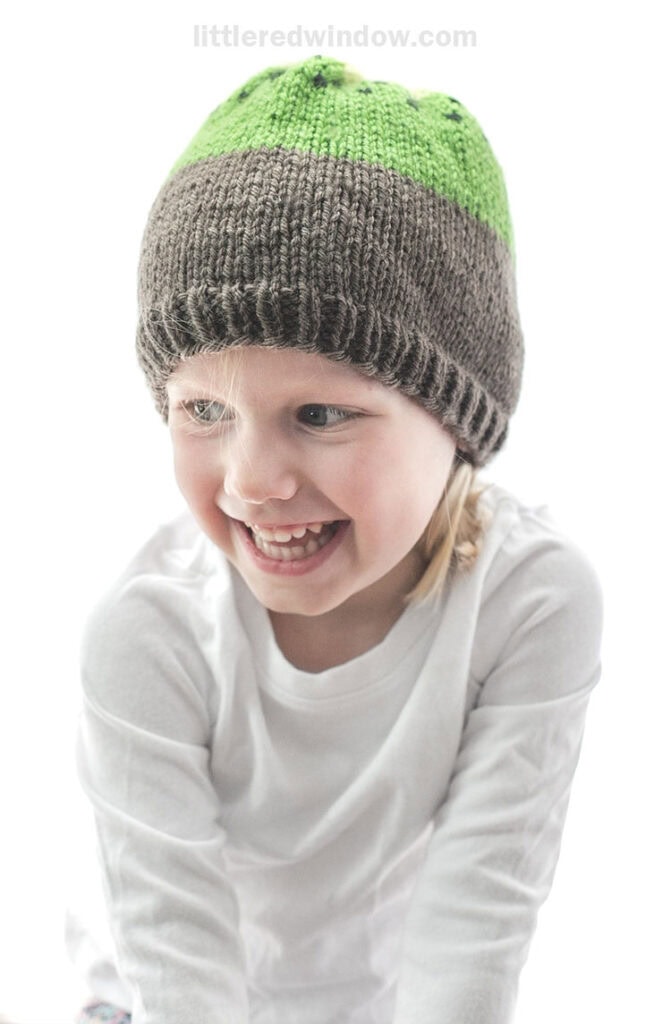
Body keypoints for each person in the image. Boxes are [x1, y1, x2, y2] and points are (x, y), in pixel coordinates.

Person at [67, 54, 603, 1024]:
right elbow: (174, 956)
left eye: (318, 412)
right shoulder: (148, 630)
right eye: (200, 409)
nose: (250, 483)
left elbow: (474, 921)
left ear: (456, 421)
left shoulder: (531, 599)